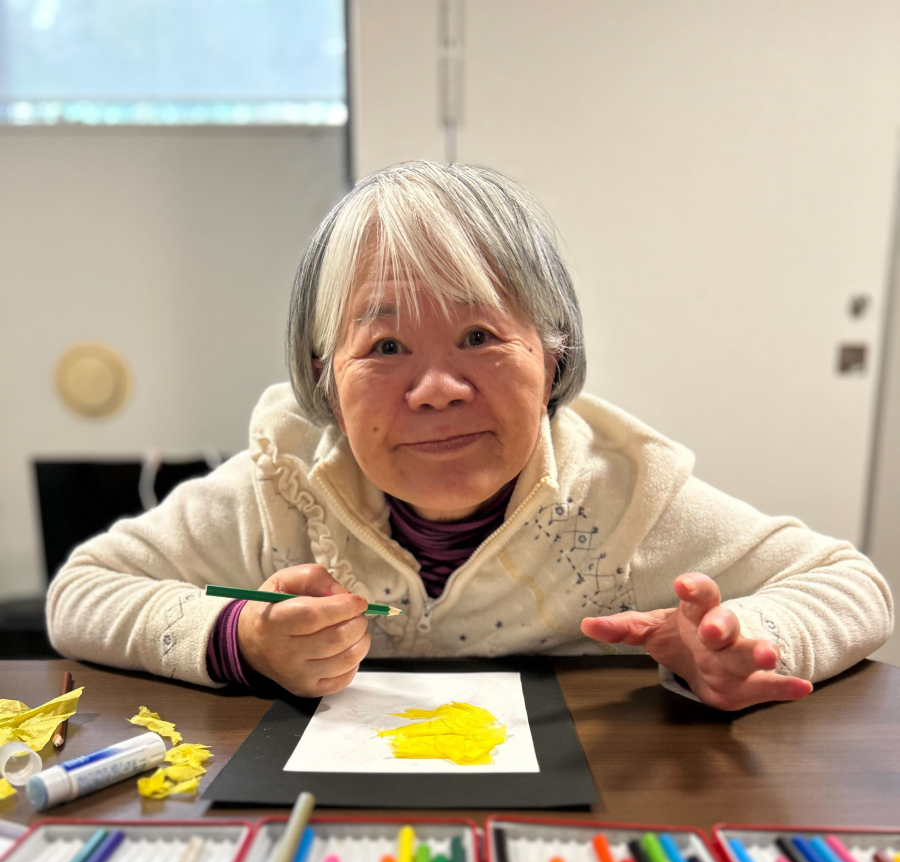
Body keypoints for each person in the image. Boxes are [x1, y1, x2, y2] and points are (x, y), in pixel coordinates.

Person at [47, 162, 892, 711]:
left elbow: (851, 586)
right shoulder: (283, 485)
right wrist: (240, 638)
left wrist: (736, 648)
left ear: (553, 354)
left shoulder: (622, 495)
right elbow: (81, 592)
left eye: (480, 336)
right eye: (384, 347)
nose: (438, 388)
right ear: (323, 377)